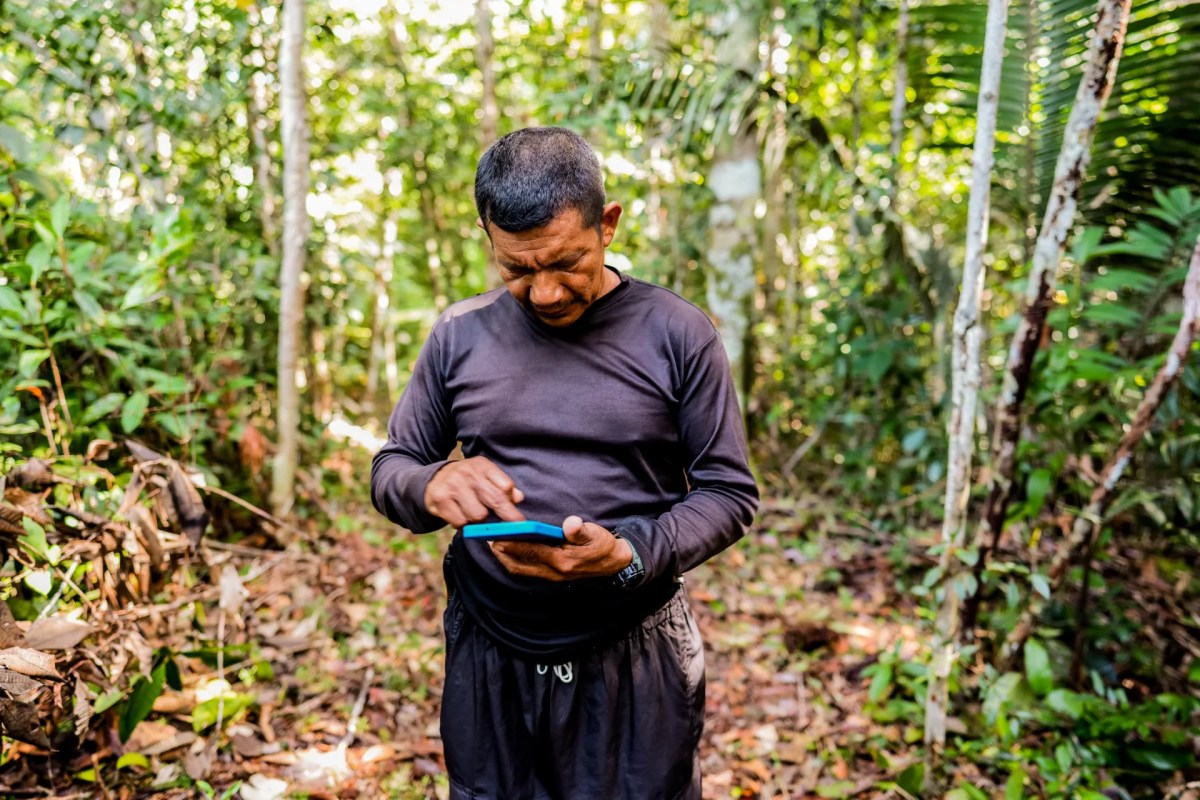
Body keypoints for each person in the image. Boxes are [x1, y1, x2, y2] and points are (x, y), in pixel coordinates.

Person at [370, 126, 759, 800]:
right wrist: (432, 482)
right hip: (491, 645)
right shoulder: (460, 335)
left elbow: (729, 493)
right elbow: (391, 467)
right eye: (517, 268)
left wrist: (632, 553)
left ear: (607, 225)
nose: (545, 293)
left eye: (565, 263)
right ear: (489, 241)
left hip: (632, 650)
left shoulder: (677, 334)